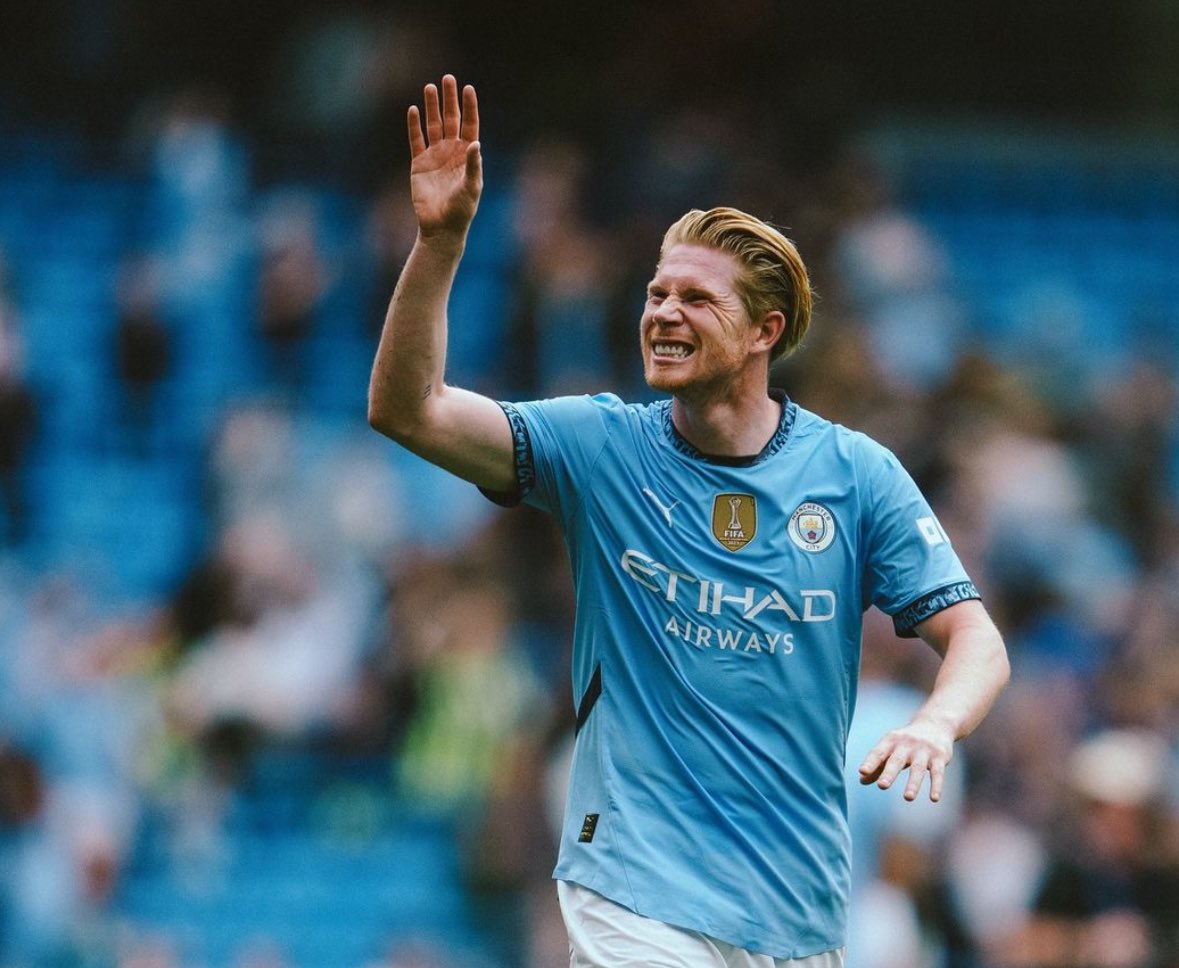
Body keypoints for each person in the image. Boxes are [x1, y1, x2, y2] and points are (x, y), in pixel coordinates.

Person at [368, 75, 1010, 968]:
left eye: (695, 300)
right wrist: (439, 243)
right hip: (630, 882)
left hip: (795, 909)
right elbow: (411, 411)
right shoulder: (597, 446)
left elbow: (976, 641)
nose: (663, 312)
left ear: (763, 332)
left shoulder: (854, 475)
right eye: (656, 293)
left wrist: (937, 724)